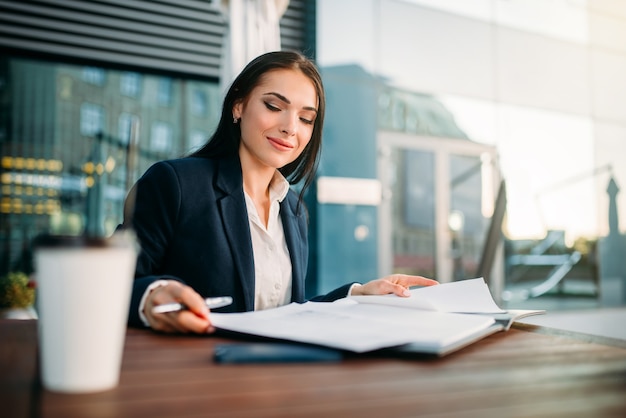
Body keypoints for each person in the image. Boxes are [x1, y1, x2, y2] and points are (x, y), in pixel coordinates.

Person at [121, 50, 437, 334]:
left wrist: (357, 295)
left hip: (274, 383)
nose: (291, 127)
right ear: (238, 105)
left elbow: (285, 313)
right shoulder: (175, 183)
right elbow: (109, 282)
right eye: (274, 106)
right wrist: (152, 296)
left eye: (306, 118)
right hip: (195, 381)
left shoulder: (295, 210)